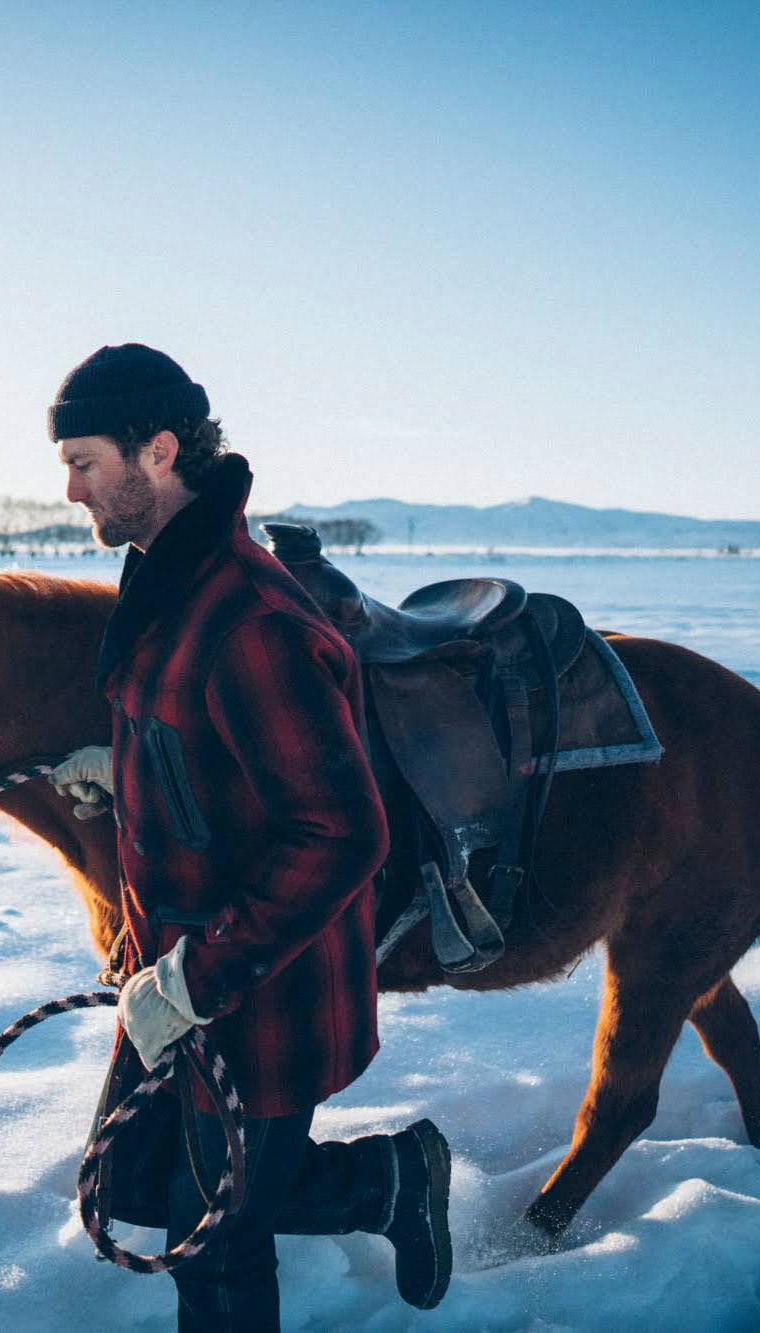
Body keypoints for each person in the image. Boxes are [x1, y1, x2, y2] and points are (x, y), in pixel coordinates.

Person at [46, 343, 451, 1330]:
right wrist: (131, 769)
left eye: (85, 460)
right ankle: (389, 1181)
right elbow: (211, 738)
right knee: (125, 1191)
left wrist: (196, 981)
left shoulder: (253, 616)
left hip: (252, 997)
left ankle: (390, 1179)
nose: (68, 488)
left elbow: (340, 832)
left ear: (159, 451)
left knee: (217, 1262)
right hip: (173, 983)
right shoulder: (169, 583)